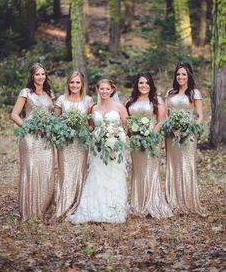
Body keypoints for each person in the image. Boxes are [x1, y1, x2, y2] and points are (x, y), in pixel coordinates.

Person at [68, 78, 128, 223]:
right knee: (97, 175)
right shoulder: (93, 108)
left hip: (115, 149)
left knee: (114, 176)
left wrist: (117, 140)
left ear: (112, 90)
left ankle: (114, 208)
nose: (104, 91)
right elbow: (91, 127)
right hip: (98, 149)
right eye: (102, 89)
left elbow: (127, 128)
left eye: (107, 89)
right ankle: (95, 208)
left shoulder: (120, 107)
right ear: (97, 90)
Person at [11, 63, 55, 221]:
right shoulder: (26, 92)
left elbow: (53, 114)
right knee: (31, 169)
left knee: (46, 169)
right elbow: (14, 115)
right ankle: (29, 210)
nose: (41, 77)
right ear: (32, 76)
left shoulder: (50, 93)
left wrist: (52, 126)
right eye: (37, 74)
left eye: (43, 74)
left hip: (46, 136)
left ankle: (42, 209)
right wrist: (28, 127)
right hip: (30, 137)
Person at [126, 71, 173, 218]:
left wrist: (151, 133)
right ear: (137, 84)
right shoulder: (130, 101)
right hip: (136, 141)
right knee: (138, 171)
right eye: (141, 83)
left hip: (152, 139)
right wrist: (132, 133)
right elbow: (127, 121)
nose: (144, 85)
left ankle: (152, 202)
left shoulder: (156, 100)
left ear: (150, 85)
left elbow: (162, 120)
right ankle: (138, 204)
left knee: (150, 170)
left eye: (146, 83)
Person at [165, 62, 204, 214]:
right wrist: (171, 127)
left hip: (188, 136)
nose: (180, 77)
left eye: (184, 74)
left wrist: (190, 129)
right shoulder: (170, 92)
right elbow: (166, 115)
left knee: (187, 165)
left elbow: (200, 116)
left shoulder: (195, 93)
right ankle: (173, 200)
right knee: (173, 165)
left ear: (189, 76)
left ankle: (188, 201)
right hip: (171, 135)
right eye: (178, 74)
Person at [54, 71, 93, 219]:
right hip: (65, 143)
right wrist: (65, 128)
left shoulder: (88, 101)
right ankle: (63, 203)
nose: (74, 85)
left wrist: (81, 129)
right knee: (65, 172)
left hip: (81, 143)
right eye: (72, 82)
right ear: (68, 84)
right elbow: (56, 122)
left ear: (82, 84)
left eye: (77, 82)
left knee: (79, 172)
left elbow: (91, 125)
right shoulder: (61, 100)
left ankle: (78, 203)